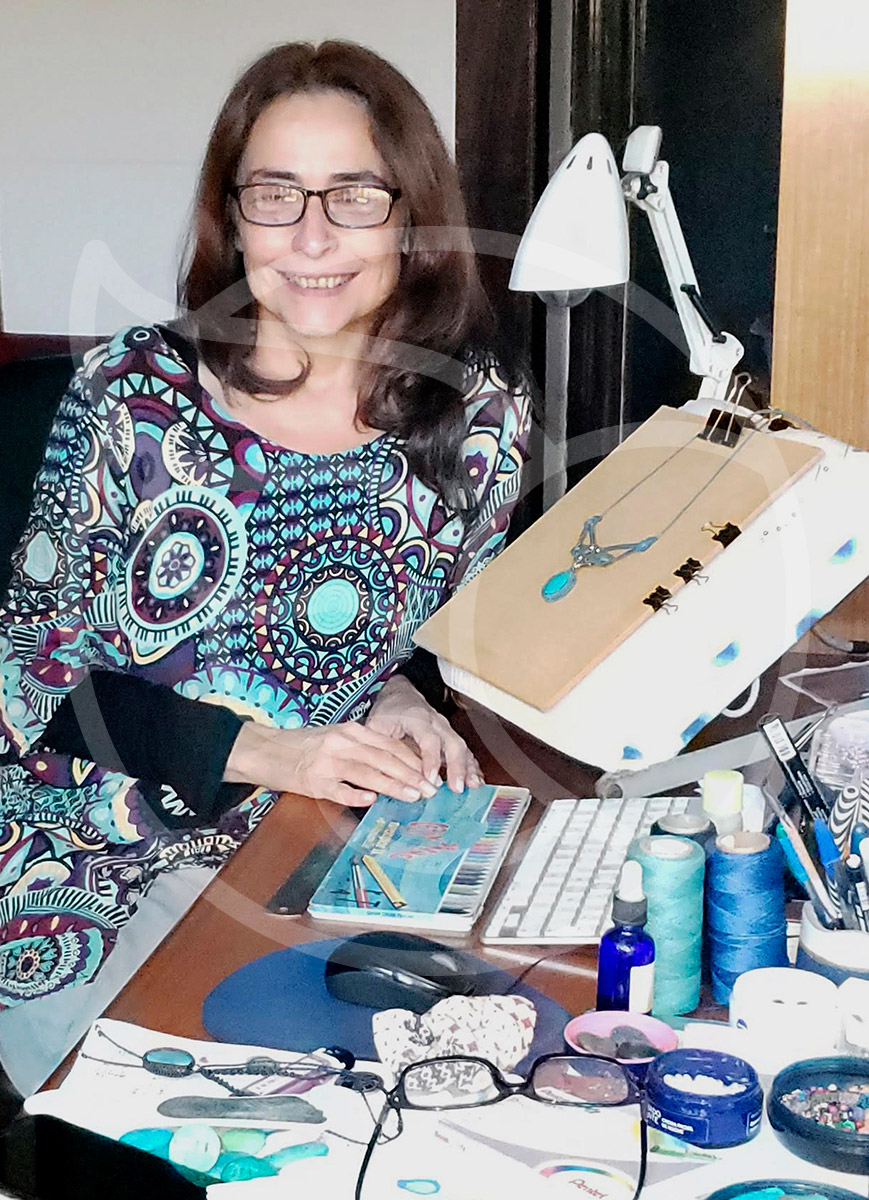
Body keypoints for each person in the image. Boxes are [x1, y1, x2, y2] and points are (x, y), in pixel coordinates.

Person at [0, 40, 532, 1012]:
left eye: (355, 195)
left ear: (411, 220)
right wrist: (260, 751)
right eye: (276, 194)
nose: (312, 237)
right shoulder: (133, 397)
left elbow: (426, 633)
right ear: (234, 219)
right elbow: (27, 683)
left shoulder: (480, 416)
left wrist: (402, 698)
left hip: (327, 831)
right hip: (89, 847)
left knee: (488, 1022)